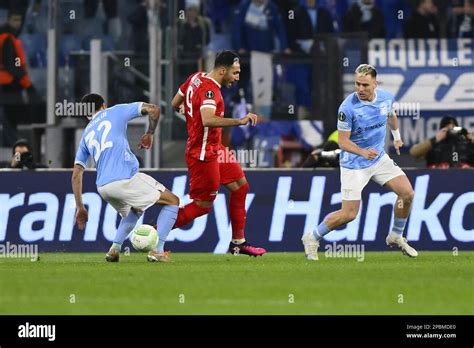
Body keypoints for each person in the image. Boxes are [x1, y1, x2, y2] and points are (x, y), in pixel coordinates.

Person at [302, 64, 417, 261]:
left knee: (407, 193)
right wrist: (363, 152)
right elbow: (343, 142)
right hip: (353, 164)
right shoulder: (347, 108)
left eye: (365, 85)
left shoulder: (386, 98)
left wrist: (397, 137)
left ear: (375, 84)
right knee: (349, 214)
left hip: (378, 158)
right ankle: (312, 237)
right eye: (357, 84)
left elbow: (391, 116)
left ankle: (396, 235)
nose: (360, 89)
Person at [170, 50, 266, 256]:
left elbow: (174, 103)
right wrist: (238, 121)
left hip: (216, 149)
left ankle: (238, 243)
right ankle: (152, 232)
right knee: (202, 206)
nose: (237, 78)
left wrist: (188, 113)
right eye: (235, 73)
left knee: (240, 187)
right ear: (222, 71)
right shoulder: (210, 91)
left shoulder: (195, 77)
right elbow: (208, 119)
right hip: (203, 153)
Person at [72, 93, 180, 263]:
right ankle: (158, 251)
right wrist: (150, 133)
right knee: (173, 200)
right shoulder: (115, 111)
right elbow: (154, 109)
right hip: (124, 179)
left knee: (135, 211)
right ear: (104, 105)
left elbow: (76, 174)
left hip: (103, 187)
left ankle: (114, 249)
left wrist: (80, 206)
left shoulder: (86, 134)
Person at [0, 11, 34, 146]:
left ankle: (14, 150)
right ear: (8, 20)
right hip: (9, 87)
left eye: (19, 20)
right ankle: (17, 149)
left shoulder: (8, 37)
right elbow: (12, 66)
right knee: (10, 122)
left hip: (8, 86)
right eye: (14, 20)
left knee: (8, 122)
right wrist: (27, 84)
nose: (18, 23)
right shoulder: (8, 38)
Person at [409, 116, 474, 168]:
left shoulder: (467, 144)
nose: (450, 131)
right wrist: (435, 139)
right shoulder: (433, 145)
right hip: (437, 179)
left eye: (453, 128)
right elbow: (414, 153)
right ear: (441, 130)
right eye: (447, 128)